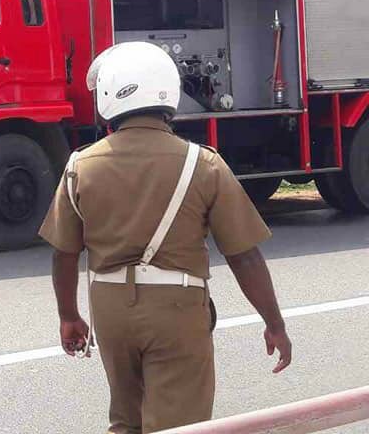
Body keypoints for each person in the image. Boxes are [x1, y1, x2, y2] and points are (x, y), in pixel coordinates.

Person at [41, 41, 292, 434]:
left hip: (109, 309)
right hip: (176, 308)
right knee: (180, 425)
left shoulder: (79, 166)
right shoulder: (203, 164)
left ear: (109, 95)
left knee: (126, 419)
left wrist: (69, 316)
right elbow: (244, 255)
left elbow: (64, 253)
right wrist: (274, 322)